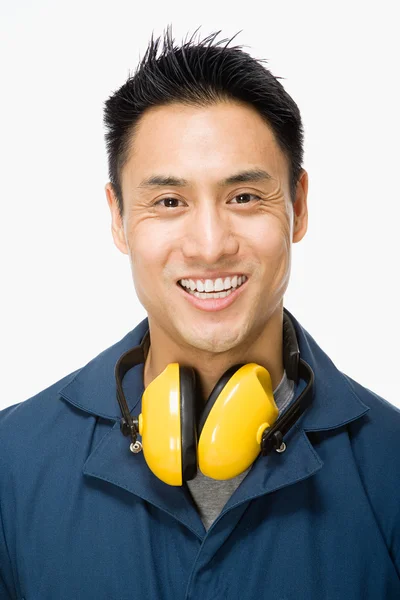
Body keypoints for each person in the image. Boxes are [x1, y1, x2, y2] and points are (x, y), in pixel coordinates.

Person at [1, 28, 399, 600]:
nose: (210, 245)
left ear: (299, 206)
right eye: (169, 202)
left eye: (243, 197)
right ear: (117, 217)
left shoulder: (392, 469)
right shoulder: (11, 465)